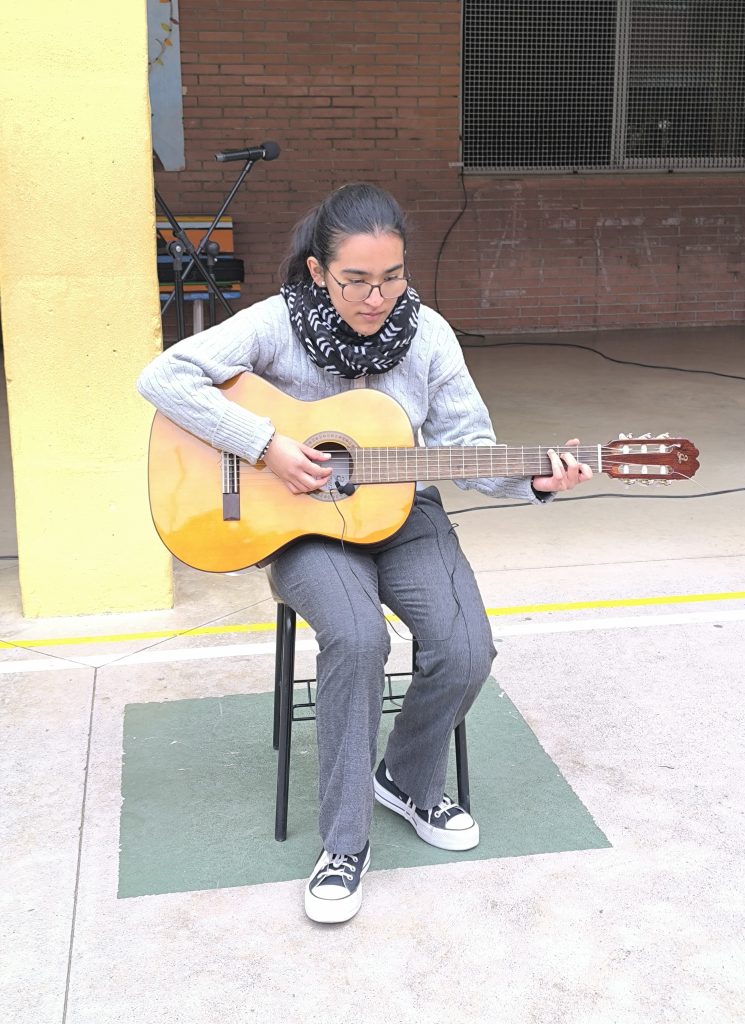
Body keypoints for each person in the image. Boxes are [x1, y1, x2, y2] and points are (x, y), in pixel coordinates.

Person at [137, 183, 592, 924]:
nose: (376, 297)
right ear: (319, 271)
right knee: (356, 638)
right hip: (301, 525)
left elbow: (465, 448)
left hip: (407, 509)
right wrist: (267, 444)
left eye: (392, 278)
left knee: (467, 646)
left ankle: (406, 776)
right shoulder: (274, 323)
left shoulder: (431, 336)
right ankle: (344, 844)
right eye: (356, 280)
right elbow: (162, 377)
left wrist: (532, 477)